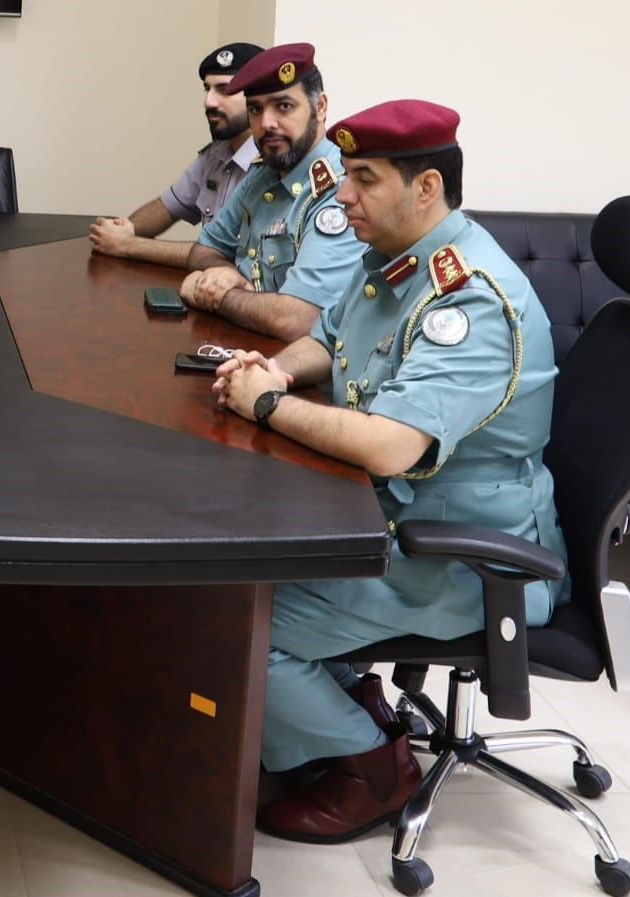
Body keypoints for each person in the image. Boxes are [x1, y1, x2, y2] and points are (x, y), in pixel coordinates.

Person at [210, 99, 568, 843]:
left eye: (364, 179)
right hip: (391, 521)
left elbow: (391, 447)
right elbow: (329, 339)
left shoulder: (466, 299)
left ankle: (374, 767)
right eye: (346, 176)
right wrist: (269, 367)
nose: (343, 195)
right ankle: (355, 707)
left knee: (242, 620)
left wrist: (269, 405)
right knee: (237, 568)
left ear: (426, 188)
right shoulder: (393, 261)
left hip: (464, 553)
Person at [143, 43, 365, 341]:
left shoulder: (338, 191)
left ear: (320, 107)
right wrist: (226, 274)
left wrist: (214, 293)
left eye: (283, 106)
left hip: (306, 375)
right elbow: (204, 251)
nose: (267, 123)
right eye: (255, 109)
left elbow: (296, 319)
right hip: (248, 346)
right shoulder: (263, 173)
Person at [89, 41, 262, 257]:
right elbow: (166, 207)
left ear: (257, 98)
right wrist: (124, 229)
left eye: (224, 90)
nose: (208, 102)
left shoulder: (270, 164)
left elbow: (221, 253)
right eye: (207, 89)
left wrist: (128, 246)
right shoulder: (216, 154)